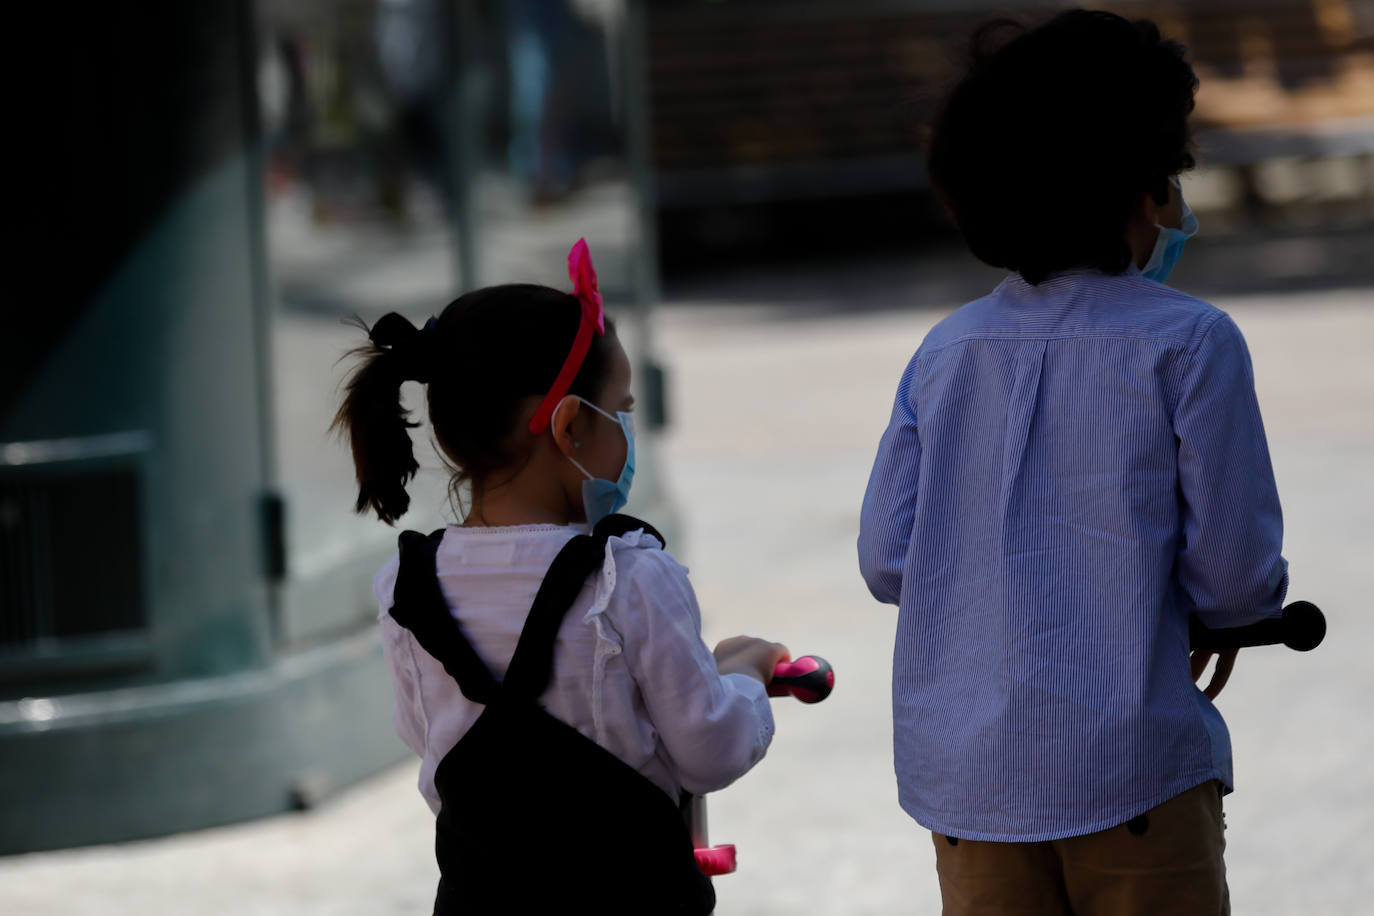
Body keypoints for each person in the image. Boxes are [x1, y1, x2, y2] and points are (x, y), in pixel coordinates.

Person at [857, 11, 1287, 915]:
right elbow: (1238, 579)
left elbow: (889, 559)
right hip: (1133, 768)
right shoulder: (1190, 342)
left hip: (966, 787)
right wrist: (1215, 613)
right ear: (1139, 191)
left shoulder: (947, 350)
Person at [334, 239, 788, 914]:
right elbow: (710, 749)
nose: (629, 431)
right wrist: (746, 672)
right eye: (622, 409)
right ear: (571, 426)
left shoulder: (405, 588)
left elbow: (435, 758)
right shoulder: (626, 574)